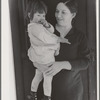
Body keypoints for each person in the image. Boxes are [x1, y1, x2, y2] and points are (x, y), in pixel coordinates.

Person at [33, 0, 91, 100]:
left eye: (63, 12)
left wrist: (62, 65)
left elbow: (86, 62)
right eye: (57, 11)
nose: (58, 15)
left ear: (73, 14)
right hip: (47, 92)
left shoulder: (80, 36)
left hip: (71, 92)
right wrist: (36, 63)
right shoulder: (45, 31)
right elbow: (33, 51)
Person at [25, 0, 70, 100]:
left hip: (41, 56)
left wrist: (47, 25)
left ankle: (32, 94)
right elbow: (46, 37)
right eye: (38, 15)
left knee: (38, 75)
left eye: (43, 16)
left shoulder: (39, 25)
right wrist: (58, 39)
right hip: (44, 58)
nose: (41, 18)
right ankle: (46, 97)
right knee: (48, 78)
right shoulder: (34, 28)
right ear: (30, 15)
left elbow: (51, 31)